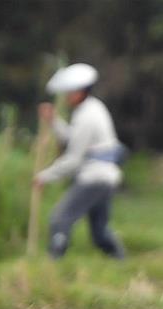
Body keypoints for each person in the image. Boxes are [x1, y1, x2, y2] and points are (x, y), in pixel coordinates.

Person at [34, 63, 125, 259]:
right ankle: (121, 261)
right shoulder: (93, 108)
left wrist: (44, 176)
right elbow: (72, 139)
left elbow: (74, 159)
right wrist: (53, 121)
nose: (66, 97)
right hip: (107, 177)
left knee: (60, 219)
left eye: (69, 92)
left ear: (79, 93)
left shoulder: (86, 116)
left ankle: (53, 262)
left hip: (94, 177)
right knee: (99, 233)